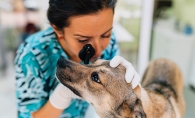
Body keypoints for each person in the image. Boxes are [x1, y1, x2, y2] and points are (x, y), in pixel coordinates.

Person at [14, 0, 140, 118]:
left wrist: (133, 91)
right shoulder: (31, 55)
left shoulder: (110, 43)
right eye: (83, 40)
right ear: (58, 30)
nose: (98, 48)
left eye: (106, 34)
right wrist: (60, 97)